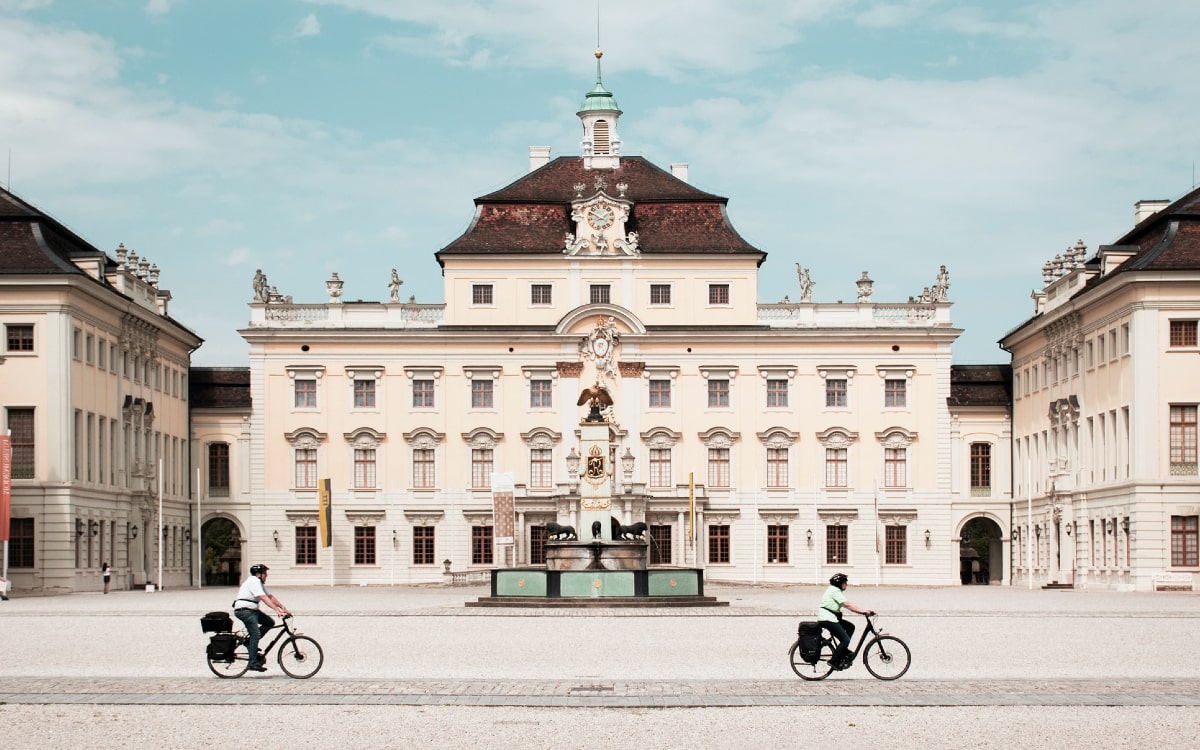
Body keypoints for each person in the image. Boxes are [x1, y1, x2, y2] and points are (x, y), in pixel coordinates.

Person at [233, 564, 290, 672]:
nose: (266, 576)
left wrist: (282, 607)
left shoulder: (259, 583)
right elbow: (263, 598)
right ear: (259, 574)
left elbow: (269, 597)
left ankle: (249, 642)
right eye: (265, 573)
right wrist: (276, 610)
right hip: (245, 611)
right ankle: (252, 663)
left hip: (252, 610)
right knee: (255, 635)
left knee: (269, 622)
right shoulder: (253, 581)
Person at [817, 573, 873, 670]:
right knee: (845, 640)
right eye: (845, 582)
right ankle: (833, 661)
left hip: (831, 618)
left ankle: (843, 649)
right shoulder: (834, 591)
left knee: (850, 627)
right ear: (840, 583)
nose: (846, 584)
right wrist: (863, 611)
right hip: (827, 619)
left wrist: (862, 611)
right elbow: (847, 605)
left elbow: (847, 604)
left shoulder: (834, 590)